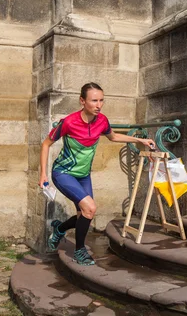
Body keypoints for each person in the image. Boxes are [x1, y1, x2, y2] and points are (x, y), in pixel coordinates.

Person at [39, 82, 156, 265]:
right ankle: (79, 252)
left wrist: (140, 140)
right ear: (82, 101)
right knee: (90, 208)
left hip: (83, 175)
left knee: (85, 213)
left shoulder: (102, 121)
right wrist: (43, 175)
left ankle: (60, 228)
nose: (98, 105)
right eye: (94, 100)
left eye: (101, 100)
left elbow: (114, 136)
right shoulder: (69, 122)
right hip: (63, 173)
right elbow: (46, 144)